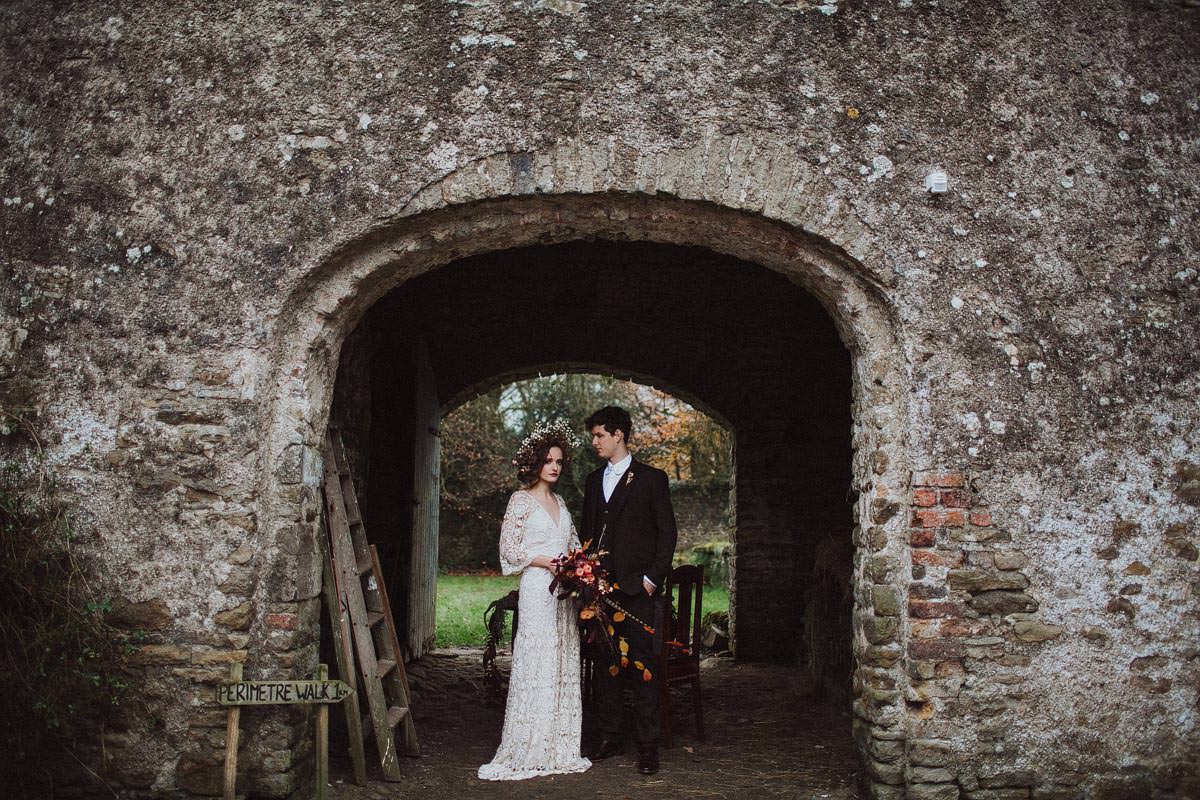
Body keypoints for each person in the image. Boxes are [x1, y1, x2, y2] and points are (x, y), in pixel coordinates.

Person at [478, 419, 592, 781]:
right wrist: (547, 562)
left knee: (560, 659)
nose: (555, 466)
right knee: (538, 659)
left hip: (563, 594)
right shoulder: (520, 500)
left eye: (559, 461)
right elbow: (509, 548)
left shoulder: (561, 501)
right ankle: (528, 744)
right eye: (548, 461)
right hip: (537, 588)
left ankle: (558, 745)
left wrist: (581, 570)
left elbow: (573, 546)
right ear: (535, 464)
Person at [581, 405, 678, 776]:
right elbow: (590, 535)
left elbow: (666, 533)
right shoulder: (593, 481)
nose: (595, 442)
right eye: (594, 436)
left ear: (619, 434)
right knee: (607, 664)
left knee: (643, 666)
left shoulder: (652, 479)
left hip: (639, 591)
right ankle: (610, 736)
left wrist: (653, 579)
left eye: (599, 435)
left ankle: (648, 746)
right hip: (600, 592)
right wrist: (586, 577)